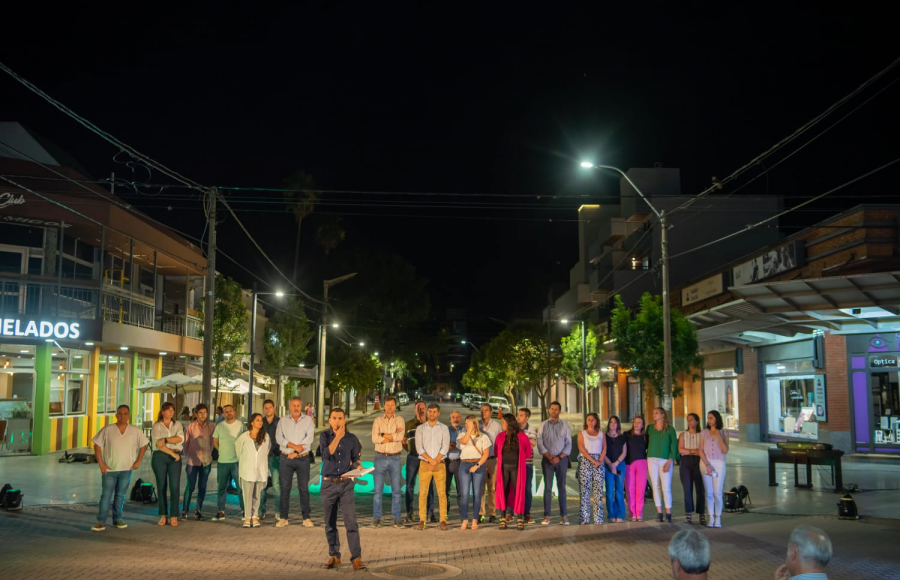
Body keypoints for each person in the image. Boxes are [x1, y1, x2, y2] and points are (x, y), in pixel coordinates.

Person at [320, 408, 366, 571]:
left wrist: (358, 465)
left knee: (351, 521)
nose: (337, 421)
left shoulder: (352, 439)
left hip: (346, 484)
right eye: (334, 418)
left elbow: (354, 459)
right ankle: (334, 555)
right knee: (330, 523)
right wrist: (338, 437)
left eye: (340, 418)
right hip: (328, 484)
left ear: (344, 420)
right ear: (330, 420)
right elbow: (326, 455)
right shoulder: (324, 436)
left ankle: (356, 558)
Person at [91, 404, 148, 531]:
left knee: (120, 496)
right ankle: (101, 521)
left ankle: (118, 519)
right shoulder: (108, 429)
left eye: (125, 413)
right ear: (116, 415)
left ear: (129, 415)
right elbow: (97, 445)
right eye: (120, 413)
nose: (122, 416)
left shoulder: (135, 430)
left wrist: (138, 461)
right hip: (109, 469)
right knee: (106, 495)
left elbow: (143, 445)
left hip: (126, 469)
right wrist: (101, 463)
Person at [275, 396, 315, 528]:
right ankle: (284, 517)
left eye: (298, 405)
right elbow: (279, 438)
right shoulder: (283, 420)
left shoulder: (308, 420)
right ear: (289, 407)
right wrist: (294, 446)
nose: (296, 408)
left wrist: (297, 452)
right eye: (293, 405)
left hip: (303, 458)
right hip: (286, 458)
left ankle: (306, 517)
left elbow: (309, 438)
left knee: (303, 488)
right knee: (285, 488)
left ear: (302, 406)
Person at [371, 395, 407, 528]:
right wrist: (390, 436)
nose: (390, 407)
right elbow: (374, 438)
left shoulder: (400, 420)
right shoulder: (378, 420)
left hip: (395, 458)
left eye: (392, 405)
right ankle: (376, 518)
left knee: (396, 490)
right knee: (377, 491)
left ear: (395, 406)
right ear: (384, 405)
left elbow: (400, 436)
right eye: (387, 404)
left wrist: (383, 435)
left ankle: (397, 518)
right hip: (380, 457)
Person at [494, 412, 532, 530]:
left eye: (503, 422)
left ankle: (519, 518)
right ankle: (503, 519)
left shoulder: (521, 436)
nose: (501, 424)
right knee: (503, 492)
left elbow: (528, 452)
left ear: (509, 423)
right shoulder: (500, 436)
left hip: (517, 469)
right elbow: (496, 452)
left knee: (518, 492)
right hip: (503, 468)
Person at [415, 402, 450, 530]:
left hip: (440, 464)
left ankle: (443, 520)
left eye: (434, 412)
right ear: (427, 412)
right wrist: (430, 461)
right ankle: (422, 519)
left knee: (442, 493)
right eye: (430, 411)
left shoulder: (444, 428)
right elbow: (419, 448)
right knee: (423, 493)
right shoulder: (421, 429)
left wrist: (435, 461)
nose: (432, 414)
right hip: (425, 464)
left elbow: (445, 447)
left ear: (438, 413)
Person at [538, 401, 572, 525]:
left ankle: (564, 516)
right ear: (549, 410)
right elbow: (539, 442)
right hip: (547, 460)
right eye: (552, 409)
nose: (553, 411)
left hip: (561, 461)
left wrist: (559, 457)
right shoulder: (543, 425)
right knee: (547, 488)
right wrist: (548, 455)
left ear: (560, 411)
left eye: (556, 409)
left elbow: (569, 444)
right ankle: (547, 516)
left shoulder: (565, 426)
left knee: (562, 488)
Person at [151, 401, 184, 526]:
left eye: (172, 410)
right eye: (168, 410)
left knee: (174, 486)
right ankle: (163, 515)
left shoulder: (177, 424)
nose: (171, 412)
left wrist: (165, 439)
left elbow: (181, 438)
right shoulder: (157, 426)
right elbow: (158, 445)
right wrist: (172, 452)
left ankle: (174, 515)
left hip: (175, 457)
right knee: (161, 486)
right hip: (161, 456)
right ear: (162, 411)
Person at [235, 413, 270, 528]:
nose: (260, 422)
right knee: (247, 495)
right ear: (252, 422)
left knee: (257, 494)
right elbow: (239, 451)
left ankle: (254, 516)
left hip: (260, 469)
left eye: (261, 420)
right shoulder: (244, 437)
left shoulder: (266, 436)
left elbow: (266, 451)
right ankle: (247, 517)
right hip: (247, 469)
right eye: (257, 420)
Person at [212, 404, 246, 521]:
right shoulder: (219, 426)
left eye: (230, 411)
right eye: (226, 412)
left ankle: (244, 511)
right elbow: (215, 441)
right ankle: (221, 511)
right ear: (223, 413)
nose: (229, 413)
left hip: (237, 461)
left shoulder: (241, 425)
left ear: (234, 412)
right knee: (221, 487)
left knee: (241, 487)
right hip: (223, 461)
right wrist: (221, 450)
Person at [457, 414, 491, 530]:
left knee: (477, 494)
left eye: (468, 423)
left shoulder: (483, 437)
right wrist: (468, 431)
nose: (466, 425)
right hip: (464, 465)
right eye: (465, 423)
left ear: (475, 423)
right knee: (465, 494)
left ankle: (475, 519)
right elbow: (463, 442)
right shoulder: (462, 434)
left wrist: (477, 465)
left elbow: (486, 454)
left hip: (478, 465)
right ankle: (465, 519)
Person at [182, 402, 215, 520]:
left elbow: (212, 443)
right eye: (200, 413)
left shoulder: (211, 427)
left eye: (205, 413)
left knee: (202, 486)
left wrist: (208, 453)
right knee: (190, 486)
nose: (203, 415)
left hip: (206, 461)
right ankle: (185, 510)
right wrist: (188, 456)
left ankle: (198, 511)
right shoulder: (190, 427)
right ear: (196, 414)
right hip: (192, 461)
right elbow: (185, 444)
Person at [403, 401, 434, 523]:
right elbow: (403, 441)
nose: (420, 410)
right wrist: (410, 451)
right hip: (413, 458)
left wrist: (423, 423)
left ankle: (430, 513)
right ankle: (410, 513)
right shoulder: (409, 424)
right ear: (415, 410)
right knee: (410, 486)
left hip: (427, 459)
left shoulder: (430, 423)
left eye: (423, 408)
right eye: (418, 408)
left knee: (429, 486)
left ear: (426, 409)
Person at [648, 407, 678, 523]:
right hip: (652, 458)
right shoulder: (650, 428)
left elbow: (673, 445)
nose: (654, 415)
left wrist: (670, 460)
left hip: (665, 460)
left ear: (663, 415)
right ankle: (659, 512)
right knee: (655, 485)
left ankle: (668, 513)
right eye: (653, 413)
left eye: (656, 413)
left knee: (666, 487)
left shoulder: (670, 429)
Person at [700, 410, 729, 528]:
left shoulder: (723, 432)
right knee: (709, 492)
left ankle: (718, 517)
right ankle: (710, 517)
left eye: (711, 418)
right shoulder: (704, 432)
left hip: (719, 464)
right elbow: (700, 450)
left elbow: (725, 450)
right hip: (706, 463)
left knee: (717, 492)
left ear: (717, 418)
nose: (709, 420)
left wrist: (718, 435)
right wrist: (707, 464)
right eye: (708, 418)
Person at [577, 412, 606, 525]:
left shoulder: (601, 433)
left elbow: (604, 448)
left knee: (598, 491)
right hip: (586, 461)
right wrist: (593, 460)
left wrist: (600, 461)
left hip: (599, 462)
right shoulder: (582, 433)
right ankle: (584, 518)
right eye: (588, 420)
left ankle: (598, 518)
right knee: (585, 491)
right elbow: (581, 448)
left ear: (596, 421)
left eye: (593, 420)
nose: (590, 422)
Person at [679, 412, 706, 525]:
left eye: (691, 420)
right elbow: (681, 450)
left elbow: (703, 450)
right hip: (686, 462)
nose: (689, 422)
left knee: (700, 489)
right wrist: (692, 451)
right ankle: (688, 514)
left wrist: (693, 451)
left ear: (697, 421)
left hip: (699, 462)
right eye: (688, 420)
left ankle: (701, 514)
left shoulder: (702, 435)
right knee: (687, 489)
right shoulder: (683, 435)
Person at [478, 402, 503, 523]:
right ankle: (480, 513)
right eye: (482, 410)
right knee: (480, 488)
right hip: (480, 460)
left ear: (491, 412)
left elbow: (500, 443)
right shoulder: (477, 424)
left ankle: (492, 513)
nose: (483, 412)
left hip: (493, 459)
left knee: (492, 488)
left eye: (486, 410)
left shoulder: (497, 426)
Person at [258, 399, 281, 521]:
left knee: (277, 485)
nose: (268, 410)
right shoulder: (260, 422)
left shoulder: (280, 422)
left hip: (276, 456)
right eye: (265, 408)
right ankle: (262, 510)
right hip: (262, 457)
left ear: (274, 409)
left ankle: (278, 511)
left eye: (270, 407)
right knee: (262, 485)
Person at [625, 415, 649, 522]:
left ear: (643, 424)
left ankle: (639, 512)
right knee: (630, 489)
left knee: (640, 489)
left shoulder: (646, 437)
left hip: (642, 463)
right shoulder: (627, 435)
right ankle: (632, 513)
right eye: (635, 422)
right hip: (629, 464)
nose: (636, 424)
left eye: (639, 422)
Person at [604, 415, 627, 523]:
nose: (613, 424)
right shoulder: (604, 436)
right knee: (609, 491)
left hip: (620, 465)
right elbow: (602, 452)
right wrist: (610, 464)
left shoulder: (622, 437)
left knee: (619, 490)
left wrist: (616, 463)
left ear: (618, 424)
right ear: (609, 424)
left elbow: (624, 452)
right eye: (611, 422)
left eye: (615, 422)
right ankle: (611, 514)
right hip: (608, 466)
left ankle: (620, 514)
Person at [517, 407, 538, 524]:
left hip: (527, 463)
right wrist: (525, 439)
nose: (518, 417)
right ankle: (511, 512)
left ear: (526, 417)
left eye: (521, 415)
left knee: (527, 489)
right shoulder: (513, 428)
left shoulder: (531, 429)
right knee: (513, 488)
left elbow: (532, 443)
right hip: (515, 462)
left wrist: (520, 437)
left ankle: (527, 514)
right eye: (518, 415)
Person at [446, 410, 465, 512]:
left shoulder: (464, 431)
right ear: (450, 419)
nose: (455, 419)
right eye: (453, 417)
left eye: (457, 417)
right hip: (447, 462)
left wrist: (452, 445)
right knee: (445, 489)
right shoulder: (445, 430)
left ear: (461, 419)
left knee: (460, 490)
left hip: (460, 462)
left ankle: (463, 514)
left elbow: (464, 446)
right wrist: (457, 445)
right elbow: (445, 446)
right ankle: (445, 514)